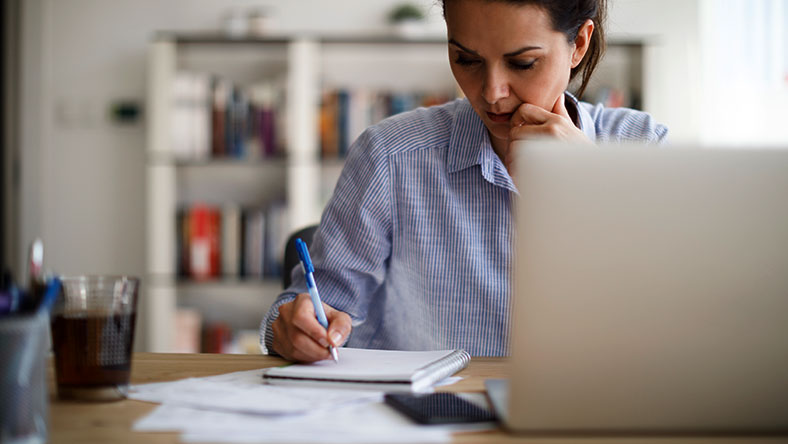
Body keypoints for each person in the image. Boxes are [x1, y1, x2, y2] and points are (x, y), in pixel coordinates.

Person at [260, 0, 668, 362]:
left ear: (579, 43)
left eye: (523, 63)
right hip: (416, 421)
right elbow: (314, 308)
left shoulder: (644, 149)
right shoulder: (390, 155)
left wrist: (595, 191)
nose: (492, 92)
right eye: (467, 59)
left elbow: (675, 329)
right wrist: (292, 329)